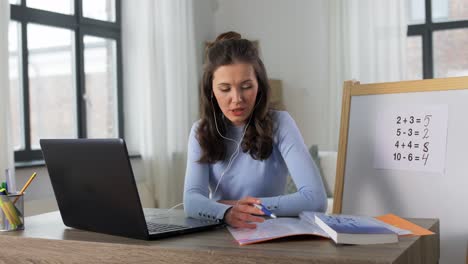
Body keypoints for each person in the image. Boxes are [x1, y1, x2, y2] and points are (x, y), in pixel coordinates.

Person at [183, 31, 327, 228]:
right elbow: (191, 200)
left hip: (267, 231)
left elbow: (316, 199)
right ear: (211, 91)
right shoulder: (200, 131)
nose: (237, 99)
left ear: (259, 85)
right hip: (220, 235)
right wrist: (227, 213)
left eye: (246, 86)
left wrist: (240, 208)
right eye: (225, 89)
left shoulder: (280, 123)